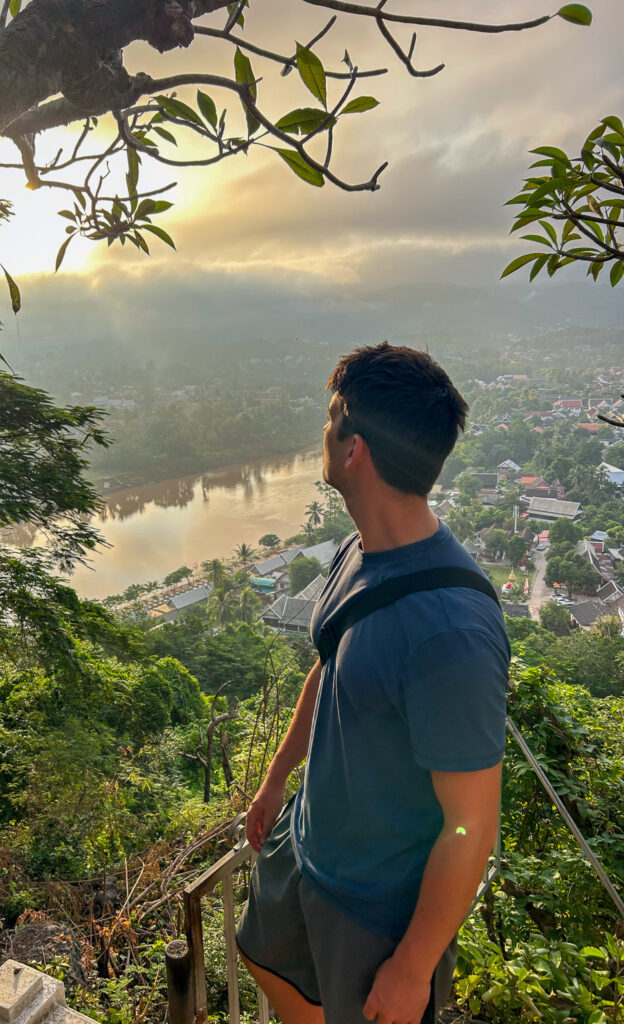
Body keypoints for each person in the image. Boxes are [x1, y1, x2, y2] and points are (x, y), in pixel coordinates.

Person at [235, 343, 510, 1024]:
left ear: (354, 448)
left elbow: (471, 827)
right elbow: (330, 666)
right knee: (256, 954)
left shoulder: (451, 630)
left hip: (372, 902)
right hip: (306, 841)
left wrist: (413, 968)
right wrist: (276, 778)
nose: (322, 435)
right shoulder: (357, 552)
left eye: (331, 421)